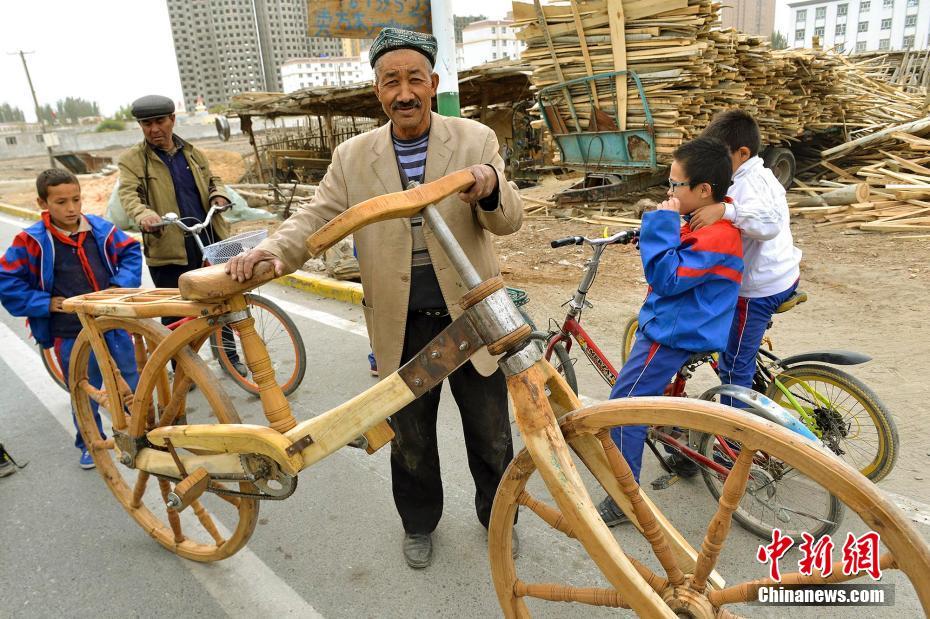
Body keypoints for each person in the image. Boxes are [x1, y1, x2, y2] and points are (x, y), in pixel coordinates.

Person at [226, 27, 524, 569]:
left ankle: (498, 517)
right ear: (377, 90)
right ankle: (419, 524)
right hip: (400, 320)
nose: (404, 93)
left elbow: (507, 222)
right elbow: (317, 217)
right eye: (392, 82)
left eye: (415, 80)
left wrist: (490, 185)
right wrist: (270, 251)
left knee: (491, 433)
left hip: (471, 314)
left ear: (433, 83)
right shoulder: (353, 157)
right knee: (410, 437)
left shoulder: (476, 140)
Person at [597, 137, 744, 527]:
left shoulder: (717, 235)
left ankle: (624, 499)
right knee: (661, 394)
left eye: (675, 184)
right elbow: (685, 250)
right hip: (689, 322)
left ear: (703, 190)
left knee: (624, 406)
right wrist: (655, 233)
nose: (669, 191)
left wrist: (661, 225)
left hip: (673, 332)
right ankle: (682, 450)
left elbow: (667, 277)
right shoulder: (711, 222)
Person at [0, 169, 142, 468]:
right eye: (61, 202)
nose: (71, 208)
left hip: (111, 323)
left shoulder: (100, 229)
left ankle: (139, 432)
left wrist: (118, 286)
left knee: (130, 378)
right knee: (83, 388)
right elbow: (7, 280)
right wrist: (45, 303)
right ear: (43, 203)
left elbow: (131, 251)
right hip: (69, 332)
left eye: (76, 199)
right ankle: (90, 442)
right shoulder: (31, 241)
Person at [117, 95, 246, 376]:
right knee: (176, 311)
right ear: (141, 126)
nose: (154, 129)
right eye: (147, 124)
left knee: (221, 300)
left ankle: (229, 358)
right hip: (169, 247)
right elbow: (128, 194)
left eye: (159, 121)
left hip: (206, 237)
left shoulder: (191, 152)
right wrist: (144, 215)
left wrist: (219, 194)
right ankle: (183, 369)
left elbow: (213, 179)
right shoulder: (132, 161)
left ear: (172, 119)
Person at [692, 110, 802, 407]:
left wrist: (725, 211)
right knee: (735, 344)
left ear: (742, 153)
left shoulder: (750, 183)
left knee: (734, 368)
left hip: (758, 290)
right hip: (781, 273)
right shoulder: (751, 174)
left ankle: (736, 432)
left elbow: (770, 223)